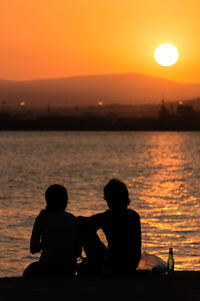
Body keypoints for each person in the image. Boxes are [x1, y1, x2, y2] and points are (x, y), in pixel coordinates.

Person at [79, 179, 141, 275]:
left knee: (87, 231)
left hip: (114, 263)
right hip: (131, 264)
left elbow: (84, 221)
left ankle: (94, 263)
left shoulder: (107, 216)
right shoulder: (134, 215)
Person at [23, 184, 82, 278]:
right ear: (65, 201)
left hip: (47, 268)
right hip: (69, 269)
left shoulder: (41, 218)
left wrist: (46, 243)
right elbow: (78, 252)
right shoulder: (73, 219)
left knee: (29, 270)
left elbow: (33, 249)